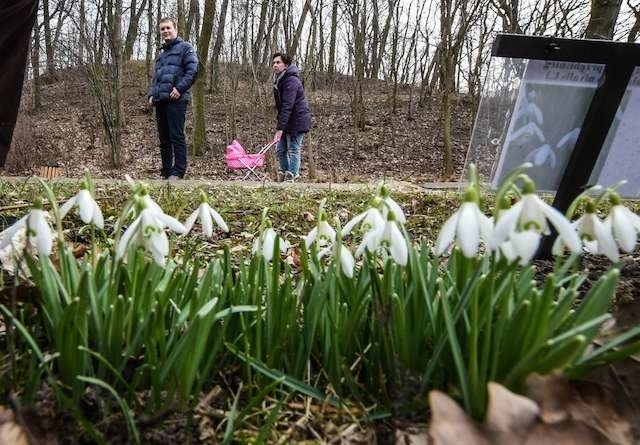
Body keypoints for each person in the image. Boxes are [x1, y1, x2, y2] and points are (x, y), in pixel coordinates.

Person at [148, 18, 198, 180]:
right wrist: (151, 95)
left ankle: (178, 172)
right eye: (162, 29)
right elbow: (156, 78)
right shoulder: (162, 55)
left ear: (175, 29)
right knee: (164, 139)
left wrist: (180, 88)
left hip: (177, 100)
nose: (165, 31)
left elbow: (193, 71)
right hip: (160, 101)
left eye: (168, 28)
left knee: (176, 136)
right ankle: (166, 171)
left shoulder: (185, 48)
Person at [271, 53, 311, 182]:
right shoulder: (278, 80)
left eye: (278, 62)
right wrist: (281, 124)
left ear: (286, 65)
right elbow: (281, 107)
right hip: (287, 119)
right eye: (274, 63)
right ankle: (284, 174)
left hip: (298, 119)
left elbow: (288, 105)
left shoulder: (291, 81)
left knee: (294, 148)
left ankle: (292, 175)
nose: (275, 65)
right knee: (280, 149)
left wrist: (280, 128)